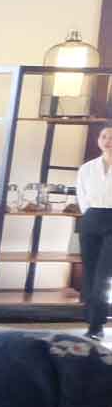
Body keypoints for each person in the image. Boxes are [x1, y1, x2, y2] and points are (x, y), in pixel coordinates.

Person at [77, 123, 111, 339]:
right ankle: (91, 323)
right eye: (104, 136)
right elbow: (82, 196)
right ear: (98, 140)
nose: (108, 141)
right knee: (89, 273)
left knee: (104, 275)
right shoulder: (87, 168)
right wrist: (89, 216)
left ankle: (97, 324)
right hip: (91, 219)